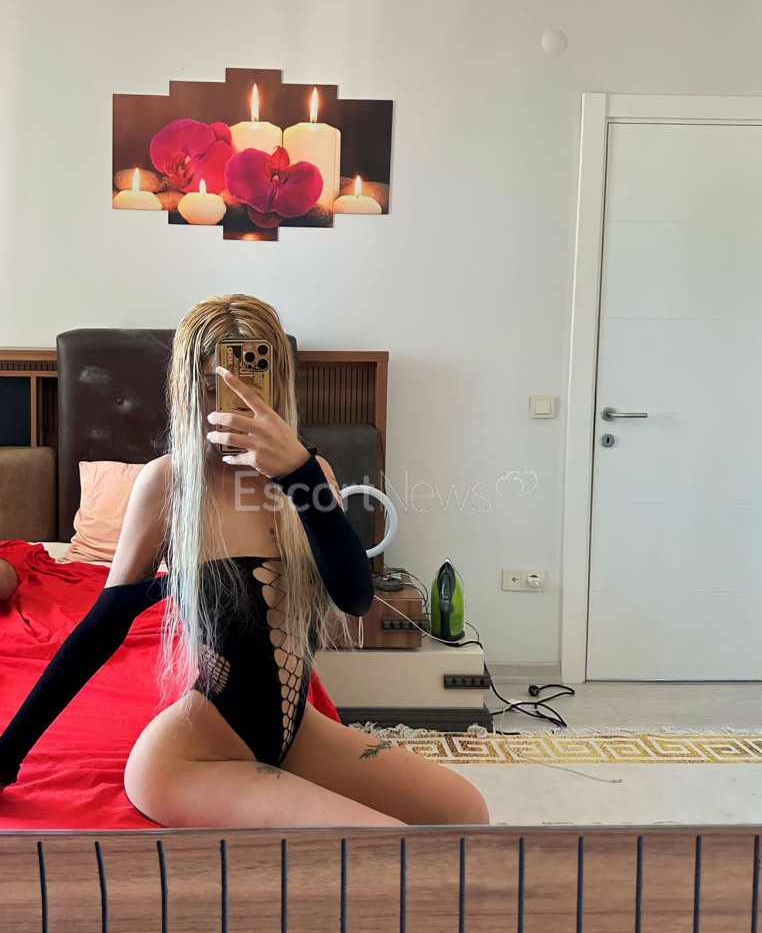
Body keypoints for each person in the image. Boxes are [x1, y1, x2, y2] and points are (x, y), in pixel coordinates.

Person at [0, 294, 489, 828]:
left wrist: (298, 475)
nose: (226, 400)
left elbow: (354, 597)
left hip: (296, 733)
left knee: (466, 811)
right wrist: (8, 754)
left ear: (276, 383)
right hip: (192, 756)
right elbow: (101, 628)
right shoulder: (170, 483)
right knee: (383, 843)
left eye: (247, 380)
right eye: (210, 384)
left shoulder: (313, 476)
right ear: (189, 388)